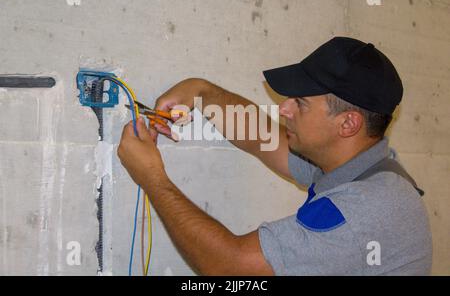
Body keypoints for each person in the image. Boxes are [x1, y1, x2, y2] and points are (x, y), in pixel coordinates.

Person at [117, 37, 432, 275]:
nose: (283, 108)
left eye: (300, 103)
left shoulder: (367, 209)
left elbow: (230, 268)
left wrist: (153, 179)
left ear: (347, 124)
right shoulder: (360, 167)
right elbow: (263, 140)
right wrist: (202, 92)